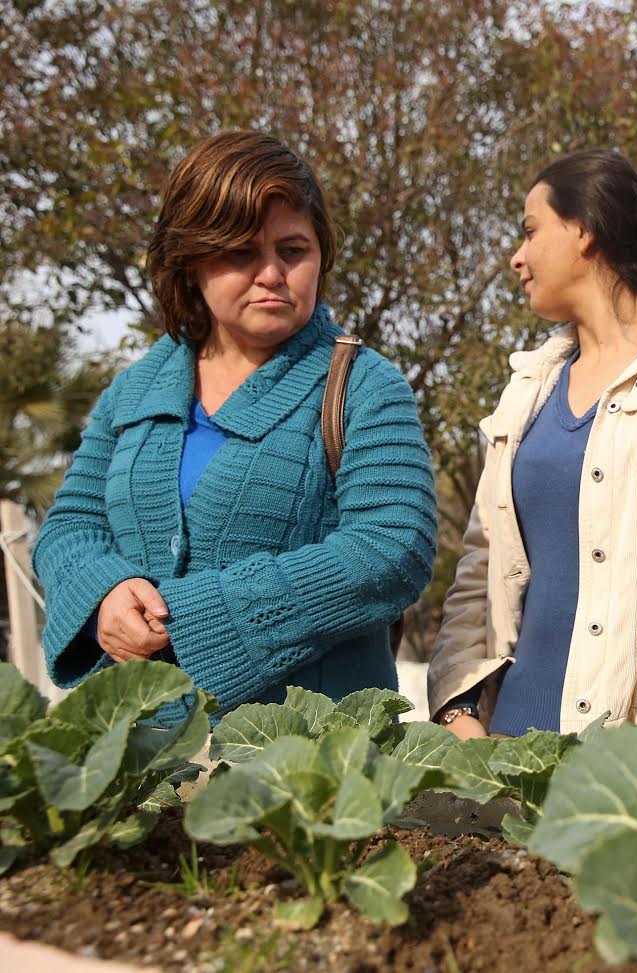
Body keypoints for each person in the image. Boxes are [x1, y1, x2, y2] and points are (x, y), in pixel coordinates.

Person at [33, 131, 438, 725]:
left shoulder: (362, 387)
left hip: (307, 766)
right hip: (134, 750)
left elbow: (392, 548)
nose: (271, 273)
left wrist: (191, 617)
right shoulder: (137, 387)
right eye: (241, 252)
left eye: (293, 250)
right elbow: (69, 526)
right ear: (192, 260)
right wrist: (103, 595)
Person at [427, 149, 637, 739]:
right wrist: (458, 710)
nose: (517, 257)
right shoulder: (526, 390)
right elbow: (478, 570)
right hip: (506, 751)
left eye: (530, 231)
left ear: (583, 230)